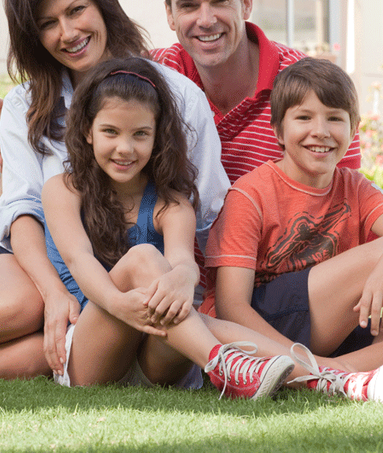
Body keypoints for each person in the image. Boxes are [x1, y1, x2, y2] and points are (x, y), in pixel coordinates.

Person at [0, 0, 230, 379]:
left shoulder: (177, 96)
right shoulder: (26, 105)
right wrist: (51, 292)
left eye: (76, 10)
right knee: (23, 305)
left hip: (105, 280)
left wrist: (197, 290)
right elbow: (22, 210)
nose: (67, 33)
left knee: (40, 359)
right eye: (47, 24)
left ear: (102, 3)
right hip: (19, 252)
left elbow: (208, 212)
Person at [41, 56, 296, 398]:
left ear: (157, 137)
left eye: (140, 134)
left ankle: (321, 378)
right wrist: (117, 303)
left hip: (155, 356)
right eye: (110, 132)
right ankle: (231, 367)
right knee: (147, 261)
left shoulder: (172, 203)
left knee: (176, 293)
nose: (124, 148)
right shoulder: (64, 189)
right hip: (90, 352)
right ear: (88, 131)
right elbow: (78, 259)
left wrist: (184, 277)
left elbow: (182, 261)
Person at [200, 57, 383, 385]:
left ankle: (335, 374)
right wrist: (295, 358)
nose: (321, 131)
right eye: (304, 117)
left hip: (331, 327)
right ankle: (314, 371)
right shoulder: (250, 194)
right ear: (278, 130)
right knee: (382, 251)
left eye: (334, 118)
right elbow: (231, 309)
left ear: (353, 130)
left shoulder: (353, 186)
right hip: (262, 328)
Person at [152, 0, 361, 185]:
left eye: (220, 1)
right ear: (170, 14)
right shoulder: (154, 74)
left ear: (246, 4)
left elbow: (345, 197)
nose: (206, 20)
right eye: (188, 6)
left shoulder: (312, 86)